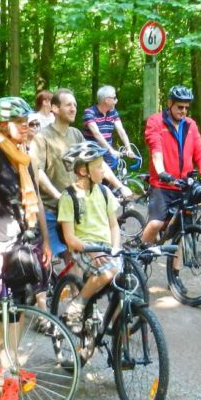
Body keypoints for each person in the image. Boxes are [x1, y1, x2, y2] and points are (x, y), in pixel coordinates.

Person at [32, 88, 132, 265]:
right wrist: (58, 195)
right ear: (54, 108)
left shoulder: (76, 134)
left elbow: (96, 164)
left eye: (75, 105)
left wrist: (119, 185)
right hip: (52, 210)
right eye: (68, 105)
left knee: (93, 254)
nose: (73, 108)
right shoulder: (42, 137)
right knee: (67, 259)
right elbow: (38, 171)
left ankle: (74, 288)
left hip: (76, 208)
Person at [0, 96, 52, 298]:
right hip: (1, 244)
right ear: (3, 125)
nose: (26, 126)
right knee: (5, 309)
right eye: (19, 121)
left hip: (27, 241)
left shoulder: (26, 159)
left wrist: (46, 242)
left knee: (24, 303)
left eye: (27, 121)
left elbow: (38, 201)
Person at [57, 141, 121, 352]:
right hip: (84, 249)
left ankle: (116, 337)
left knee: (128, 283)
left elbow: (114, 225)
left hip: (107, 248)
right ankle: (79, 304)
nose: (104, 170)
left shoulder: (104, 192)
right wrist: (92, 250)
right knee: (109, 271)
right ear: (83, 170)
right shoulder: (69, 197)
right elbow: (69, 238)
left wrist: (116, 248)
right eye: (99, 166)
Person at [141, 85, 201, 246]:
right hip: (163, 183)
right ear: (170, 103)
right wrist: (162, 172)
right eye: (180, 107)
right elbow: (156, 149)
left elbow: (200, 151)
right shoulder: (156, 121)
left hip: (184, 185)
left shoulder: (190, 125)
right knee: (156, 224)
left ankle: (176, 270)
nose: (184, 111)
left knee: (183, 228)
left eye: (187, 108)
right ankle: (139, 255)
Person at [82, 85, 135, 170]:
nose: (116, 100)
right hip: (92, 153)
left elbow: (121, 131)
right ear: (106, 100)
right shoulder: (89, 112)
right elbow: (97, 134)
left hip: (106, 152)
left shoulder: (113, 112)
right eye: (114, 98)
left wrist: (129, 148)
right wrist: (111, 150)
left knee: (112, 176)